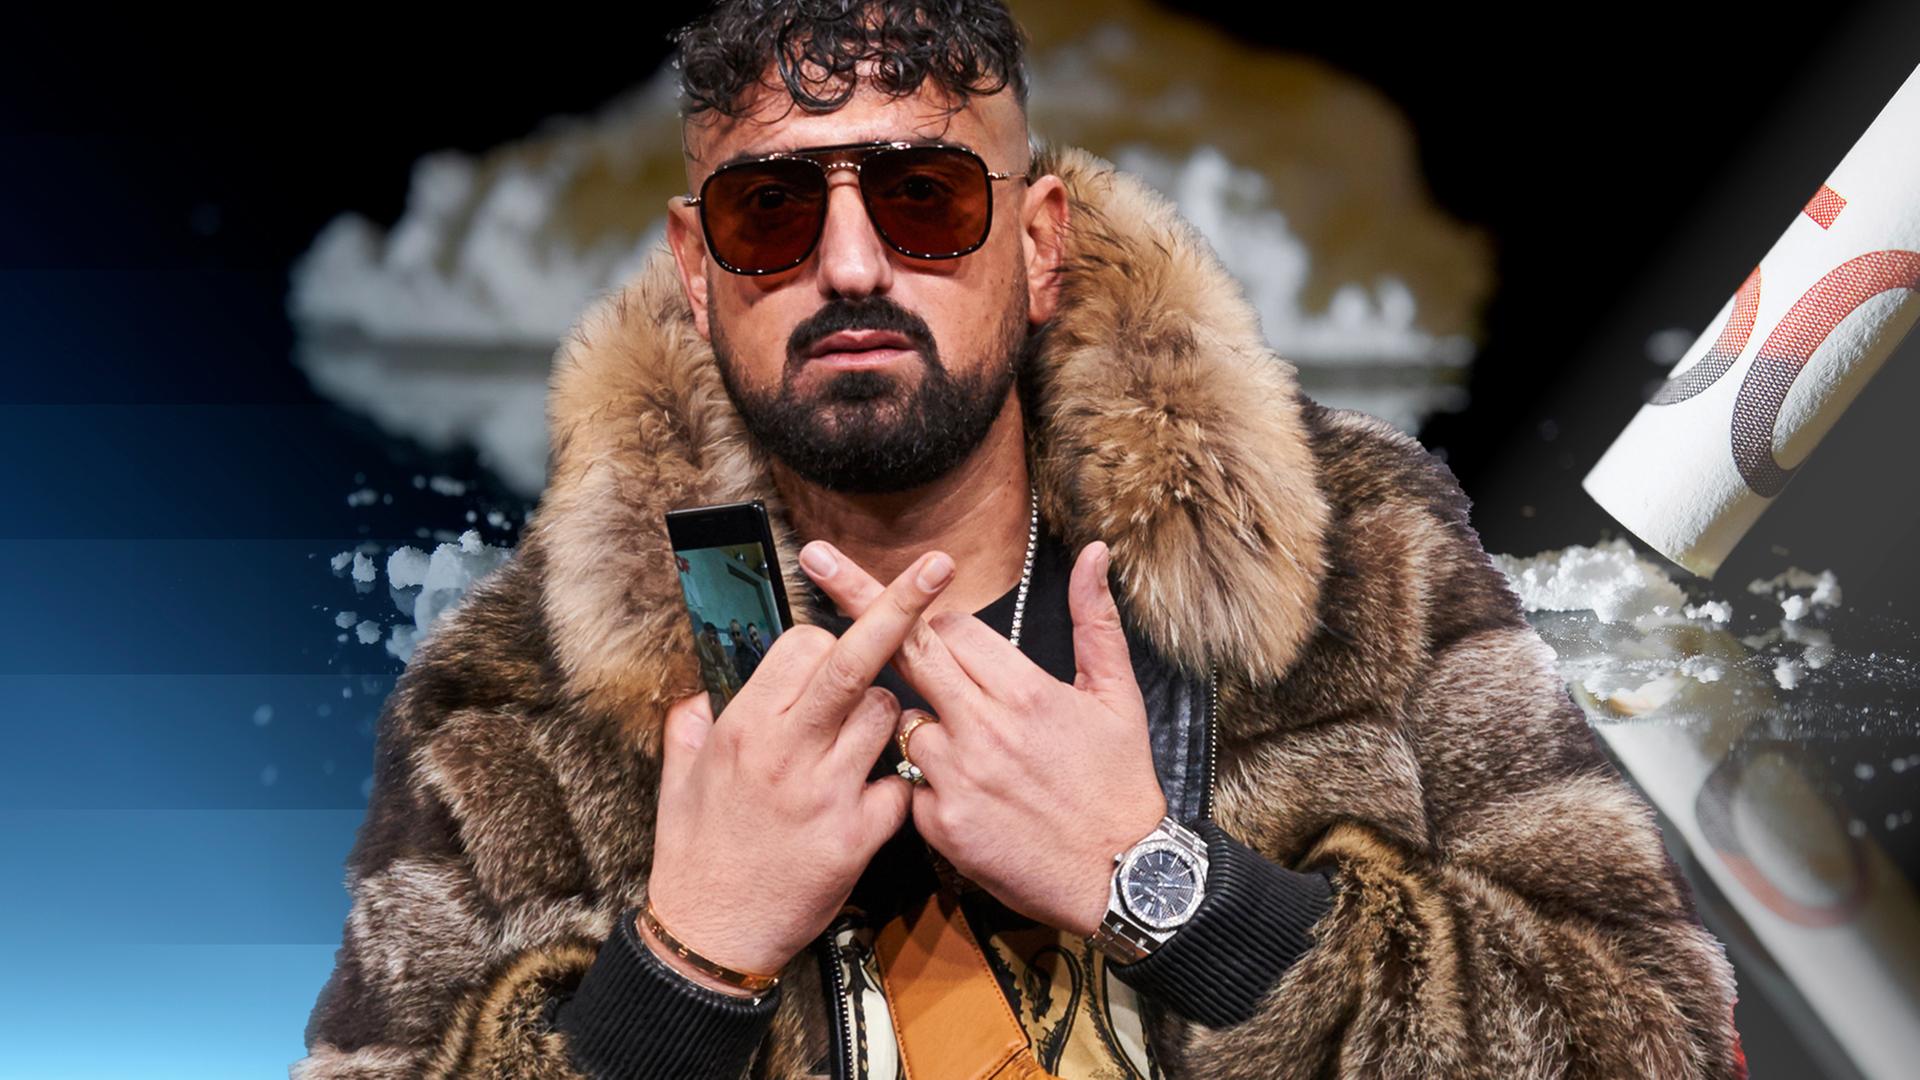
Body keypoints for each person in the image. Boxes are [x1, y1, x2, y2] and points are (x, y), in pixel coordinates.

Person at [293, 2, 1749, 1078]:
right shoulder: (511, 704)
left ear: (1039, 242)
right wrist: (682, 968)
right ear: (696, 265)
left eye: (923, 198)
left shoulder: (1363, 554)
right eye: (771, 208)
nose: (848, 263)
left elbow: (1667, 1041)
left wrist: (1169, 888)